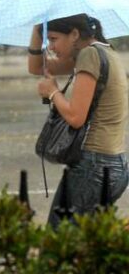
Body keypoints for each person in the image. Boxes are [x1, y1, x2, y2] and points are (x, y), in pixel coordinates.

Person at [28, 13, 129, 228]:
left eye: (53, 39)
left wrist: (53, 92)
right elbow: (37, 67)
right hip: (113, 165)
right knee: (87, 246)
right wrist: (38, 30)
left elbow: (75, 117)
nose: (51, 46)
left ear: (74, 34)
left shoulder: (89, 55)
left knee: (59, 243)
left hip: (93, 167)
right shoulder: (105, 52)